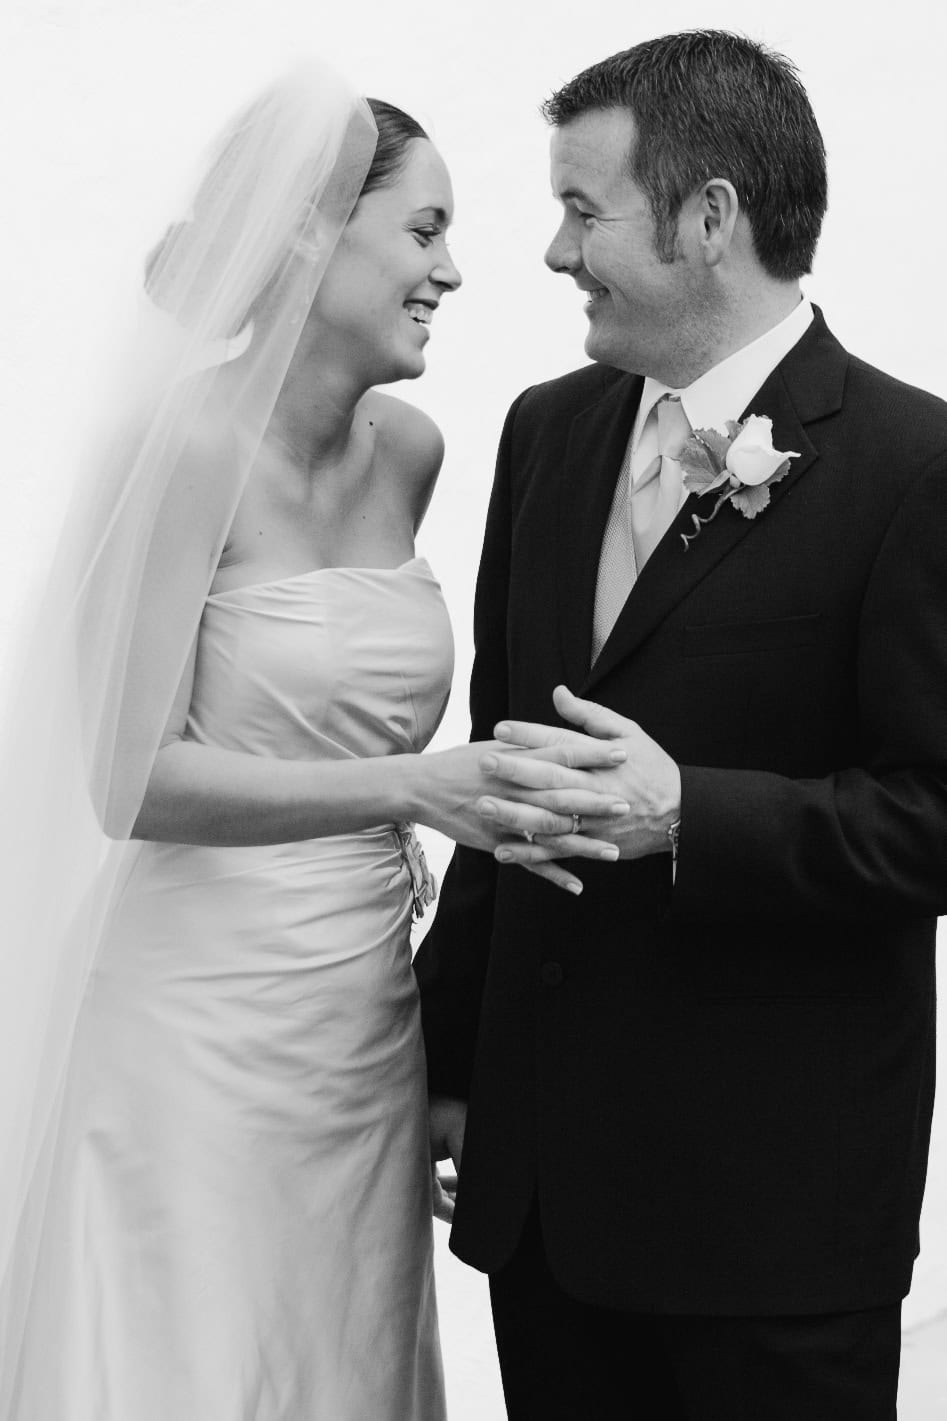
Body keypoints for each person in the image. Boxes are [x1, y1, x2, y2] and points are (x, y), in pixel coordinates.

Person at [0, 63, 621, 1420]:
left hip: (366, 1021)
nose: (453, 269)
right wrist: (419, 786)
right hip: (197, 1021)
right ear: (305, 237)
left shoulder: (414, 451)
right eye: (423, 229)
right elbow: (126, 777)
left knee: (343, 1358)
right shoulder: (180, 451)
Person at [415, 30, 947, 1420]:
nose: (555, 252)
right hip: (546, 1206)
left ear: (710, 218)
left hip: (771, 1224)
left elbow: (934, 817)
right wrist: (449, 1060)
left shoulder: (918, 465)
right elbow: (504, 767)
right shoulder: (545, 433)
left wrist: (688, 815)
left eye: (582, 211)